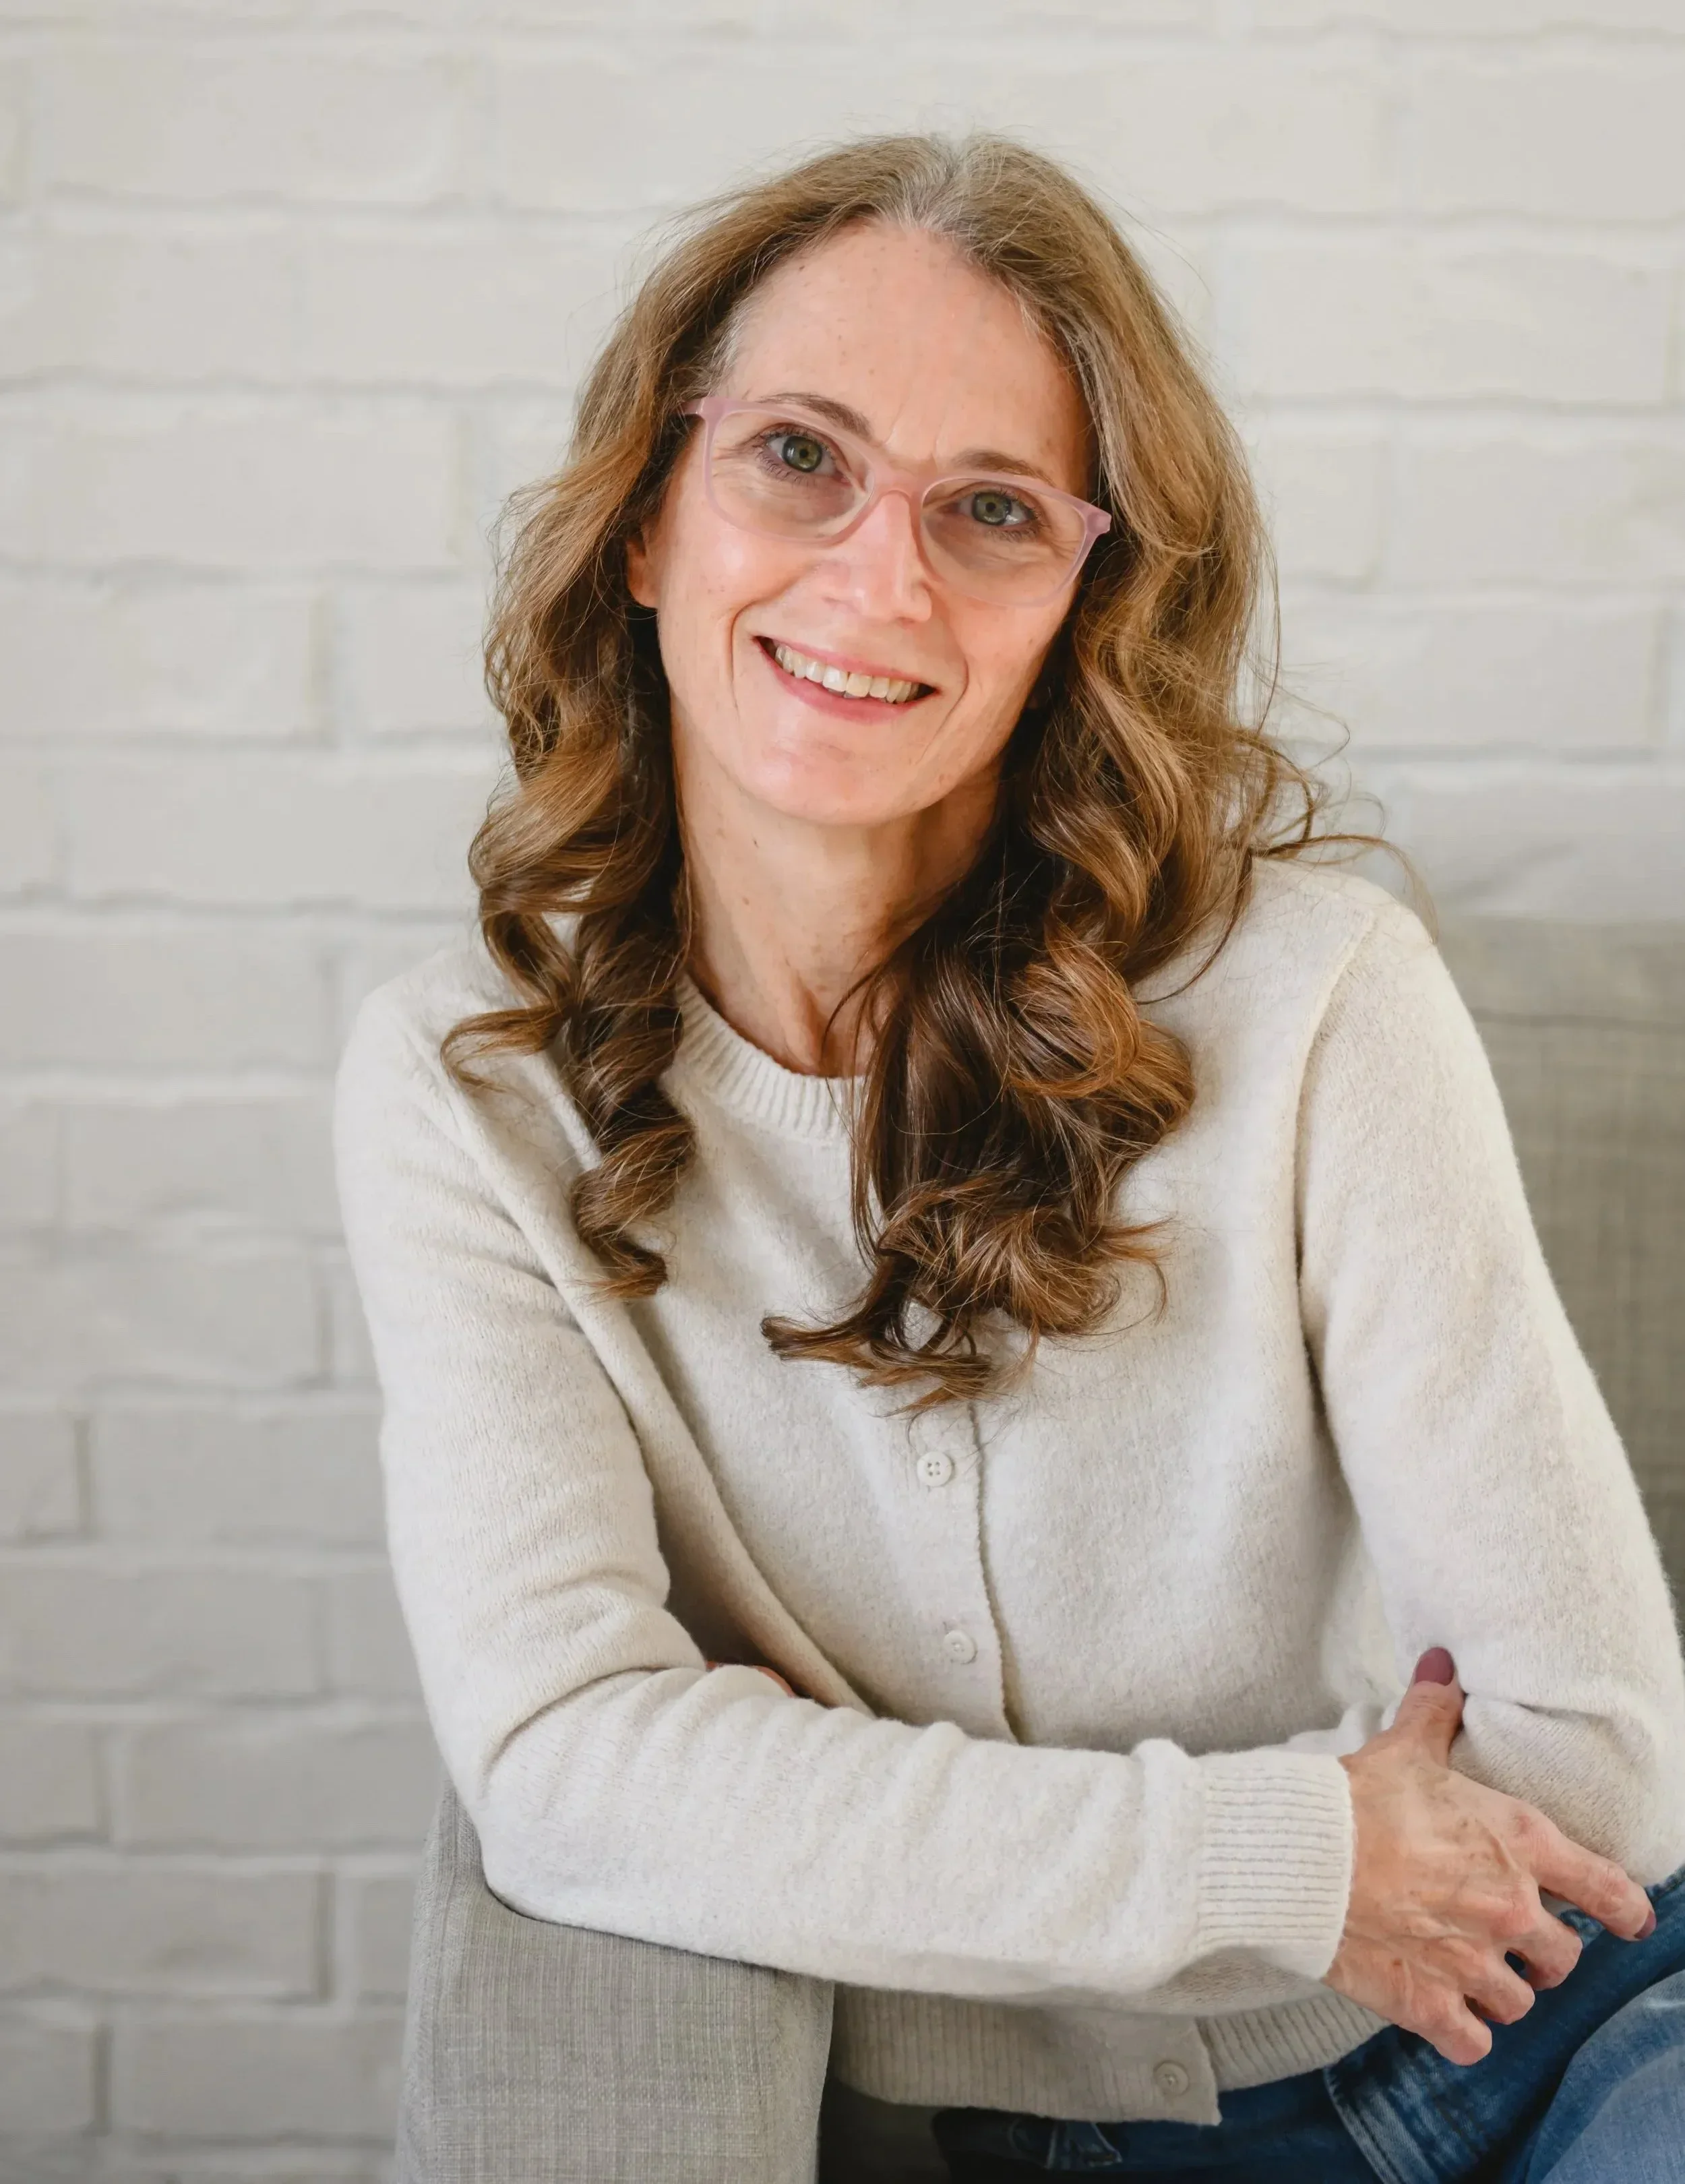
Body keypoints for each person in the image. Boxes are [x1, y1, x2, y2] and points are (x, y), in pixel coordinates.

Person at [335, 133, 1685, 2179]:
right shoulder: (473, 1092)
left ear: (1081, 600)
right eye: (798, 456)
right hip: (1044, 2125)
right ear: (645, 515)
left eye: (990, 509)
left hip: (1540, 2033)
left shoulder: (1317, 997)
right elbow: (566, 1763)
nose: (880, 579)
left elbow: (1596, 1759)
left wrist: (856, 1830)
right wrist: (1286, 1855)